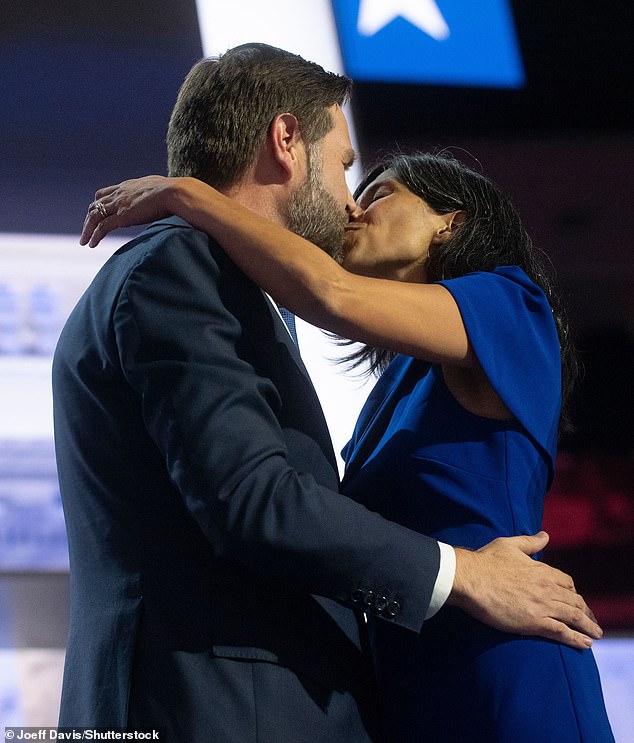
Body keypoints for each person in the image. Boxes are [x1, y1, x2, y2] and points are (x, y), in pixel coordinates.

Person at [58, 44, 600, 742]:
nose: (349, 205)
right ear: (286, 141)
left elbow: (331, 293)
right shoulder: (185, 270)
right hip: (390, 677)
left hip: (498, 653)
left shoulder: (507, 306)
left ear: (451, 221)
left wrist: (188, 192)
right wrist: (457, 575)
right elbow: (259, 501)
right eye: (347, 169)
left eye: (373, 188)